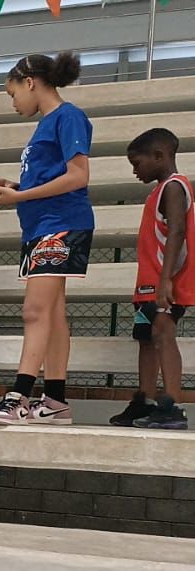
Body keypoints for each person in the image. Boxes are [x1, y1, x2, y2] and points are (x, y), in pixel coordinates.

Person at [0, 52, 91, 426]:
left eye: (12, 93)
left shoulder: (68, 116)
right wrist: (18, 187)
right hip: (42, 224)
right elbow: (52, 177)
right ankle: (56, 400)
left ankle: (18, 396)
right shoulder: (47, 123)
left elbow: (78, 176)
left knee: (35, 311)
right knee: (53, 313)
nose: (13, 102)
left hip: (59, 223)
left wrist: (21, 196)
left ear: (29, 82)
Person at [116, 127, 192, 429]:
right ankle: (144, 400)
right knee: (145, 337)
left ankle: (172, 405)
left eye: (137, 163)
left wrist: (166, 280)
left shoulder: (175, 187)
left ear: (159, 156)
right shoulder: (158, 190)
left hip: (165, 281)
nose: (135, 170)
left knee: (163, 333)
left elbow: (177, 232)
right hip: (148, 282)